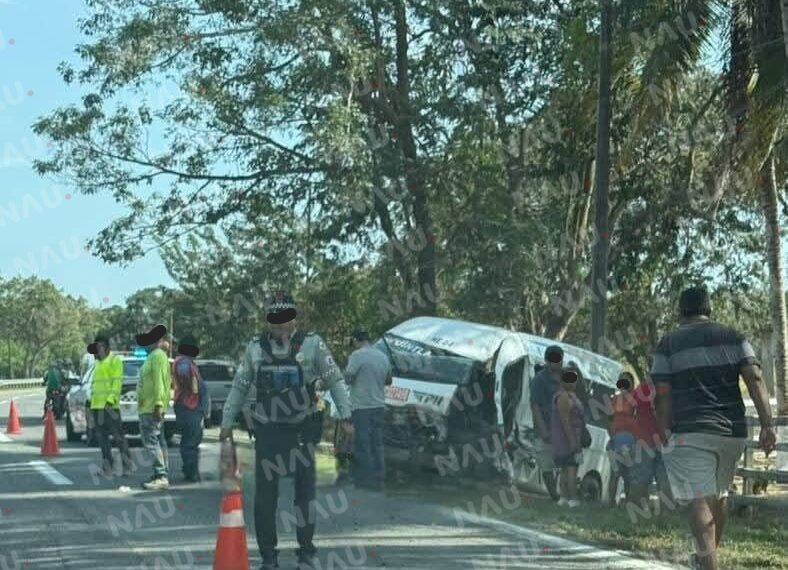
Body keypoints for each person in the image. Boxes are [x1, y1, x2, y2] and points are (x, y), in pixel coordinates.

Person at [219, 292, 353, 570]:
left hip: (302, 430)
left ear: (294, 320)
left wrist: (346, 415)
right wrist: (226, 423)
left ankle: (306, 551)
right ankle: (269, 555)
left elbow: (335, 380)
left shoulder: (313, 345)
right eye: (274, 322)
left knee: (304, 496)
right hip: (268, 431)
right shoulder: (254, 349)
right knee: (265, 498)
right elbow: (240, 386)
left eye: (284, 322)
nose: (279, 328)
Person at [651, 286, 776, 570]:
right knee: (718, 496)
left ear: (681, 312)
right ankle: (705, 559)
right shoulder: (733, 336)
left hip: (689, 431)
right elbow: (754, 378)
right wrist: (767, 425)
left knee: (698, 499)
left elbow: (662, 393)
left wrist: (662, 431)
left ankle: (708, 565)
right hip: (731, 433)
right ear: (709, 310)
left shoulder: (668, 343)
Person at [345, 328, 391, 491]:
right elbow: (388, 381)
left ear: (357, 340)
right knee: (377, 443)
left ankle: (365, 480)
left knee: (363, 443)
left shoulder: (357, 356)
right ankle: (380, 478)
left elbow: (349, 378)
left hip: (362, 406)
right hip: (379, 405)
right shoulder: (383, 356)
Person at [87, 335, 132, 476]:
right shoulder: (97, 363)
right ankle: (107, 467)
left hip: (109, 407)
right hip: (97, 406)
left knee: (118, 437)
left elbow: (117, 383)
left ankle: (127, 466)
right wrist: (91, 401)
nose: (98, 350)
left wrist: (111, 400)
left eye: (100, 346)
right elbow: (95, 385)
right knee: (102, 439)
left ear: (106, 347)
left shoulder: (115, 360)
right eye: (97, 347)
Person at [136, 324, 172, 491]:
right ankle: (162, 472)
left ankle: (161, 475)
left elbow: (160, 382)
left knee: (151, 442)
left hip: (151, 407)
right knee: (159, 441)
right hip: (149, 406)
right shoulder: (154, 356)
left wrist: (158, 404)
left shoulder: (157, 356)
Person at [627, 376, 672, 509]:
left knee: (639, 477)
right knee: (664, 478)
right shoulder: (669, 387)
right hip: (664, 439)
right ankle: (666, 513)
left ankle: (637, 510)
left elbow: (629, 409)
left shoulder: (642, 388)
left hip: (643, 438)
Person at [529, 345, 563, 501]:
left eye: (558, 360)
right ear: (546, 361)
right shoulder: (539, 380)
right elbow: (535, 406)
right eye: (552, 360)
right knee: (546, 464)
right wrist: (543, 430)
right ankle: (554, 496)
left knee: (561, 464)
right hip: (545, 428)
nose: (555, 364)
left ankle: (561, 495)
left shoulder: (565, 379)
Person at [172, 334, 208, 483]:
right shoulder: (183, 362)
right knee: (190, 441)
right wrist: (194, 390)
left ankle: (191, 469)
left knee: (192, 440)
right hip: (188, 406)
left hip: (191, 407)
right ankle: (190, 470)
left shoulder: (188, 362)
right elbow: (188, 379)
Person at [551, 368, 586, 507]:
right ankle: (572, 498)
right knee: (571, 468)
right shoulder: (564, 397)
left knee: (565, 469)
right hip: (567, 438)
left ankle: (564, 498)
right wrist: (573, 441)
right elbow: (565, 420)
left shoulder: (571, 395)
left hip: (567, 437)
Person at [606, 372, 638, 500]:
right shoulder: (615, 399)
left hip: (630, 440)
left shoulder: (636, 399)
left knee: (628, 475)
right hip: (615, 439)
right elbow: (608, 419)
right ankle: (611, 503)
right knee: (614, 473)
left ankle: (628, 502)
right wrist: (612, 436)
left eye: (626, 381)